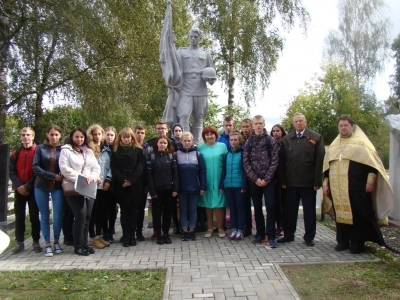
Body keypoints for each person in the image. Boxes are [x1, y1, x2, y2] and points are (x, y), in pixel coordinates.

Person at [322, 115, 393, 254]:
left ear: (351, 126)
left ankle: (357, 243)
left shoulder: (362, 144)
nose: (343, 128)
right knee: (340, 215)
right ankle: (342, 241)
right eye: (341, 125)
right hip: (337, 189)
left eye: (345, 125)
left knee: (358, 215)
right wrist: (325, 184)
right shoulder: (334, 145)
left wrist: (370, 181)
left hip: (357, 187)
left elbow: (373, 166)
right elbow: (326, 168)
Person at [162, 27, 216, 144]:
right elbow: (171, 59)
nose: (193, 39)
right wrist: (169, 41)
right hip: (185, 88)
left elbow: (212, 73)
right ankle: (184, 142)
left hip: (200, 89)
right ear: (188, 37)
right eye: (191, 36)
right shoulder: (181, 52)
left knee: (199, 117)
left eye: (196, 37)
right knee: (184, 115)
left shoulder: (205, 54)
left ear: (200, 38)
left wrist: (211, 79)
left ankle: (197, 143)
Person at [278, 113, 325, 246]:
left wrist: (317, 182)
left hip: (308, 183)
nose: (298, 123)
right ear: (293, 123)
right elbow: (281, 162)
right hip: (290, 182)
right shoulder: (287, 139)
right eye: (296, 122)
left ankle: (309, 237)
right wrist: (283, 181)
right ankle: (288, 235)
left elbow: (319, 161)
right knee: (289, 211)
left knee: (309, 211)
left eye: (301, 121)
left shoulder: (315, 137)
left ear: (305, 122)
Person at [59, 127, 101, 256]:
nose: (79, 139)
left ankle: (84, 244)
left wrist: (92, 177)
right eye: (77, 136)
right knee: (80, 216)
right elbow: (64, 168)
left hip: (88, 186)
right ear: (72, 137)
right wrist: (80, 178)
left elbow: (96, 168)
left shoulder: (88, 151)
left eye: (82, 137)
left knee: (87, 217)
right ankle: (77, 246)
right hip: (75, 187)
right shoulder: (66, 150)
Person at [243, 116, 280, 248]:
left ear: (264, 124)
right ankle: (260, 234)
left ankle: (271, 236)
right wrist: (255, 179)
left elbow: (275, 160)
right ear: (252, 125)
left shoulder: (270, 140)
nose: (258, 126)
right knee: (257, 208)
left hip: (268, 181)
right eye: (256, 124)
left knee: (270, 208)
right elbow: (246, 162)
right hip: (254, 181)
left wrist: (266, 178)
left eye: (260, 123)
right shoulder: (249, 142)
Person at [32, 125, 64, 257]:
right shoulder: (40, 148)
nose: (54, 137)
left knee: (57, 217)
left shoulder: (63, 149)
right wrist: (53, 176)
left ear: (60, 135)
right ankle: (47, 243)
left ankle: (56, 240)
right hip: (41, 186)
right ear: (47, 135)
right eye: (52, 134)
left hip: (57, 187)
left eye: (56, 134)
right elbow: (35, 167)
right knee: (44, 216)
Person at [9, 127, 41, 254]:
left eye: (28, 134)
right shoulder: (16, 153)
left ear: (33, 136)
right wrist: (19, 186)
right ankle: (19, 242)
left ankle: (36, 241)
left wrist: (27, 186)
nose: (25, 137)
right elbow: (11, 172)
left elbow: (38, 171)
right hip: (19, 190)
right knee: (19, 217)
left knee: (34, 216)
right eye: (23, 135)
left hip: (33, 189)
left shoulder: (38, 151)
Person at [111, 127, 144, 247]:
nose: (126, 139)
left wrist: (130, 180)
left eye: (128, 137)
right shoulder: (115, 151)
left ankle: (132, 236)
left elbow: (140, 167)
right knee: (124, 212)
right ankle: (125, 236)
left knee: (134, 212)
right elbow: (114, 168)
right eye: (124, 137)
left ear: (132, 138)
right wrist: (122, 180)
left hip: (135, 185)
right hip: (121, 186)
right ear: (120, 138)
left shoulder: (138, 150)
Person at [147, 136, 179, 245]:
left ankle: (166, 233)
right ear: (157, 144)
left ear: (167, 145)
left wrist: (175, 189)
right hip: (157, 191)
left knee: (167, 213)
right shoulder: (151, 157)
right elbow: (149, 176)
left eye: (165, 143)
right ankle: (158, 234)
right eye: (161, 143)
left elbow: (175, 174)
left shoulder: (171, 157)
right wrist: (152, 191)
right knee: (156, 213)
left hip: (169, 190)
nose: (163, 145)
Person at [198, 126, 227, 238]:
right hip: (206, 180)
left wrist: (223, 181)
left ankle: (220, 228)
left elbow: (225, 164)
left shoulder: (222, 146)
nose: (209, 136)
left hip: (219, 179)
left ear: (216, 135)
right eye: (207, 134)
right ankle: (209, 228)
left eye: (212, 134)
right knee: (208, 205)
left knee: (219, 204)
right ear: (204, 136)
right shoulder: (200, 148)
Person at [176, 132, 207, 241]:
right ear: (181, 142)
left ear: (192, 141)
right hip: (182, 188)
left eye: (189, 141)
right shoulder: (177, 154)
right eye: (185, 141)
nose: (187, 143)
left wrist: (203, 187)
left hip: (195, 188)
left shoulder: (198, 154)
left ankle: (192, 230)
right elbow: (175, 173)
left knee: (193, 210)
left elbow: (203, 171)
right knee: (183, 210)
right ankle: (185, 230)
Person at [87, 124, 111, 249]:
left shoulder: (106, 149)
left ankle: (99, 235)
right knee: (92, 212)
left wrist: (108, 180)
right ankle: (92, 237)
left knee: (101, 212)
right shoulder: (88, 149)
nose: (97, 136)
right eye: (95, 134)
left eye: (99, 134)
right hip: (92, 186)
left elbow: (110, 166)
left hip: (103, 186)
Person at [219, 131, 247, 241]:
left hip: (239, 186)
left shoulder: (243, 152)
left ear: (239, 141)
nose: (233, 141)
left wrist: (244, 185)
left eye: (236, 139)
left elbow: (245, 171)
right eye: (231, 140)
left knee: (240, 209)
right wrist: (222, 184)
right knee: (232, 209)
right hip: (228, 186)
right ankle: (234, 230)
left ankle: (240, 230)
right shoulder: (227, 154)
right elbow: (224, 170)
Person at [133, 124, 151, 241]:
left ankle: (139, 231)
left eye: (142, 133)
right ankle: (129, 231)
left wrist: (148, 184)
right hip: (131, 183)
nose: (140, 135)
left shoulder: (148, 148)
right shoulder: (130, 146)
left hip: (143, 184)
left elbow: (149, 167)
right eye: (138, 132)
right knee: (130, 209)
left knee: (140, 209)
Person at [271, 124, 287, 238]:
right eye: (274, 131)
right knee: (276, 204)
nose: (276, 133)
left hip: (285, 178)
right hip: (274, 179)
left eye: (278, 131)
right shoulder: (271, 144)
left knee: (284, 204)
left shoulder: (286, 144)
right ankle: (278, 226)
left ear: (282, 132)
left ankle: (284, 227)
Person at [102, 126, 117, 243]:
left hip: (114, 183)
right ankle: (104, 231)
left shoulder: (117, 149)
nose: (110, 137)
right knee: (103, 208)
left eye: (112, 135)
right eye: (108, 134)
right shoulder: (101, 148)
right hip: (102, 183)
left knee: (113, 208)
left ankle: (111, 230)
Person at [170, 123, 184, 234]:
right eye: (176, 131)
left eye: (179, 130)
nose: (178, 132)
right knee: (173, 203)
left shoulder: (186, 143)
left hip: (184, 177)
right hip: (173, 177)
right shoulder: (170, 143)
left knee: (184, 202)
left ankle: (185, 223)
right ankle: (175, 223)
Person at [240, 118, 253, 237]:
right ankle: (247, 227)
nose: (245, 129)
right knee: (245, 205)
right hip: (244, 177)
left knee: (259, 205)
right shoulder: (241, 141)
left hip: (255, 177)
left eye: (247, 127)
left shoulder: (255, 139)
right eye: (243, 127)